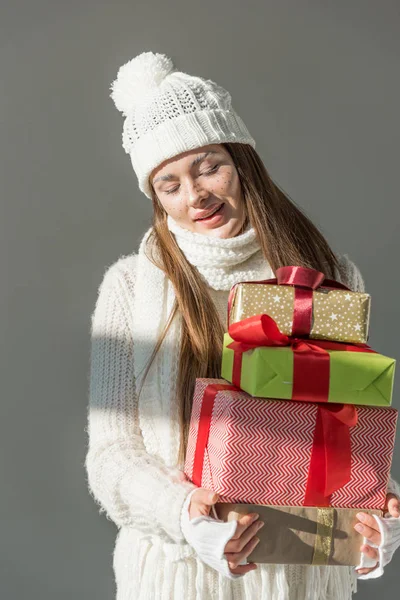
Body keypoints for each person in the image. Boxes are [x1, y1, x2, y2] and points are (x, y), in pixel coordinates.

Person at [84, 51, 400, 600]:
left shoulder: (331, 274)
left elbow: (345, 422)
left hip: (309, 571)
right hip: (179, 578)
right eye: (170, 184)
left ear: (243, 161)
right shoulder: (132, 288)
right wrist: (182, 512)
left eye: (210, 166)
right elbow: (110, 455)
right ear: (156, 198)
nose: (196, 196)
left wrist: (379, 511)